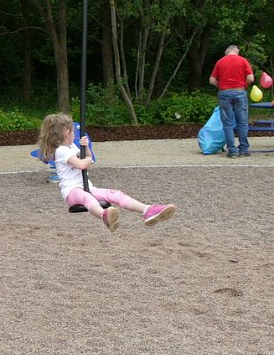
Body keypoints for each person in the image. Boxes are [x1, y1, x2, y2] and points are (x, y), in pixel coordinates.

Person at [37, 113, 177, 232]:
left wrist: (85, 148)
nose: (74, 134)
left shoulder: (72, 146)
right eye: (73, 131)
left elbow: (88, 161)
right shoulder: (61, 150)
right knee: (87, 198)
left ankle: (148, 210)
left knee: (115, 194)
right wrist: (87, 159)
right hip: (72, 191)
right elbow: (82, 164)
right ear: (67, 133)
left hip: (87, 187)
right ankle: (104, 215)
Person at [209, 44, 254, 158]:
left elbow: (212, 80)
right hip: (240, 92)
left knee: (227, 123)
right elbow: (251, 78)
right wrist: (244, 85)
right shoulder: (243, 61)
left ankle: (232, 151)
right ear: (236, 51)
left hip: (224, 93)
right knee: (242, 122)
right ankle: (243, 149)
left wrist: (221, 85)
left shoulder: (220, 62)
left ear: (227, 52)